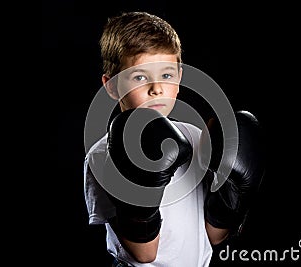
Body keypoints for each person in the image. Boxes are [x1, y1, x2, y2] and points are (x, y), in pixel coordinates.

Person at [84, 11, 265, 266]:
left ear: (179, 78)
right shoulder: (102, 155)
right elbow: (144, 254)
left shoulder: (194, 137)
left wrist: (232, 198)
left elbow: (213, 236)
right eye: (140, 77)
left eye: (166, 75)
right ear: (112, 86)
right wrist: (141, 192)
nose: (156, 88)